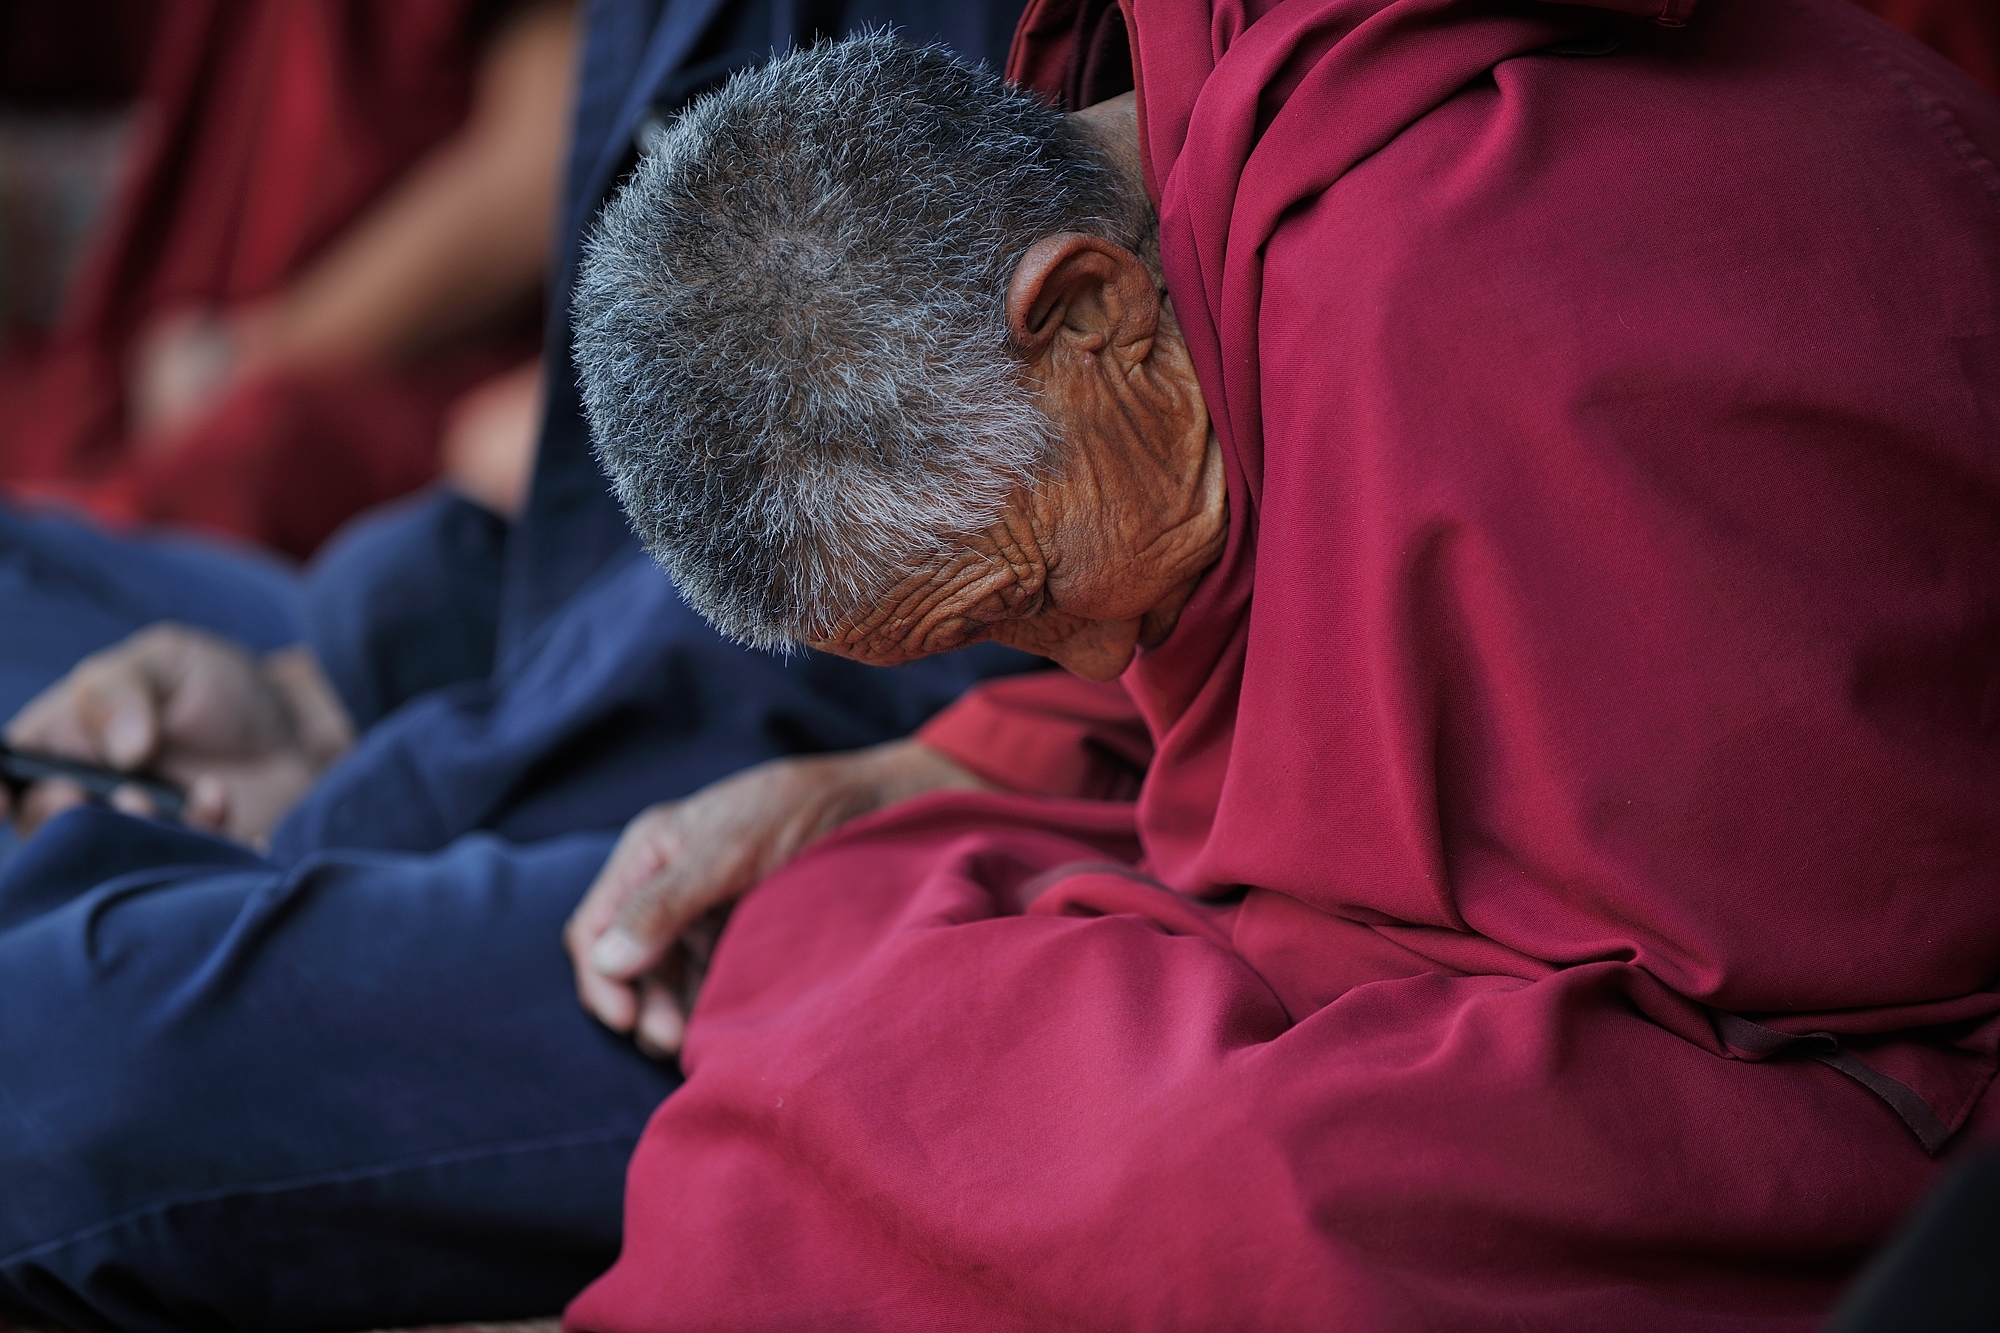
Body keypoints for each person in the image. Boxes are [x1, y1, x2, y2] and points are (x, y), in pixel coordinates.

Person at [551, 7, 2000, 1330]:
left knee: (1219, 1186)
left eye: (1036, 591)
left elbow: (1864, 953)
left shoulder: (1496, 310)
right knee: (822, 915)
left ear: (1086, 310)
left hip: (1826, 1071)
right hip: (1365, 936)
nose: (1106, 658)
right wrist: (917, 763)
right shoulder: (1150, 200)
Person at [0, 2, 1031, 1330]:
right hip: (525, 679)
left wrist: (362, 795)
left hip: (805, 843)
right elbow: (591, 509)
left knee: (43, 1060)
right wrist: (327, 693)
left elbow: (876, 604)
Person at [0, 0, 573, 555]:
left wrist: (254, 352)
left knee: (245, 471)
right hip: (163, 365)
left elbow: (536, 171)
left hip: (418, 378)